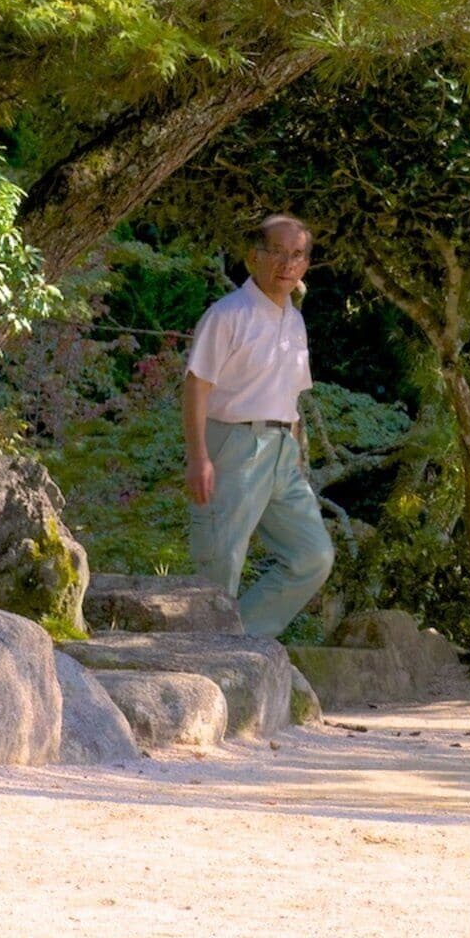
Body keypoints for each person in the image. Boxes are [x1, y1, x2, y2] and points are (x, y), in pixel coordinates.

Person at [183, 214, 334, 638]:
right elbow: (196, 386)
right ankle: (209, 660)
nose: (287, 264)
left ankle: (237, 641)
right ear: (253, 257)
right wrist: (199, 457)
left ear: (306, 264)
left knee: (313, 556)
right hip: (232, 444)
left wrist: (297, 456)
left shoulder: (295, 321)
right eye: (277, 253)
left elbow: (292, 398)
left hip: (282, 451)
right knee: (220, 563)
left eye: (298, 255)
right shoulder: (228, 315)